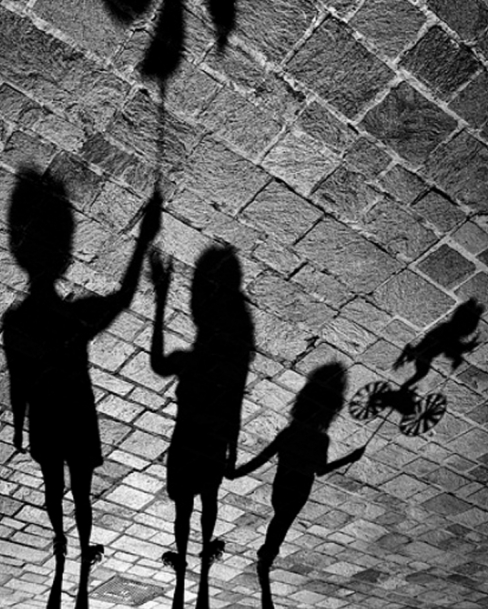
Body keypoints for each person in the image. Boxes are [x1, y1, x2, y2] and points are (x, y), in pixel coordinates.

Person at [3, 168, 161, 609]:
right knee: (81, 491)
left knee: (53, 486)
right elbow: (124, 297)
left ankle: (60, 541)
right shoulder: (75, 318)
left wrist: (17, 427)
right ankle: (82, 550)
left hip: (47, 416)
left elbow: (18, 378)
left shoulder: (18, 320)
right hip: (76, 413)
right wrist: (143, 241)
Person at [149, 245, 254, 609]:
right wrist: (233, 453)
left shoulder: (191, 361)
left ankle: (183, 569)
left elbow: (158, 364)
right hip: (211, 442)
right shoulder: (228, 360)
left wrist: (161, 301)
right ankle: (203, 562)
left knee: (185, 508)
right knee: (209, 500)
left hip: (186, 443)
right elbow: (235, 405)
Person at [228, 363, 364, 608]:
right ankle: (266, 559)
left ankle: (267, 556)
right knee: (282, 521)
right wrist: (350, 458)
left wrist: (238, 472)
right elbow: (321, 470)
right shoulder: (320, 440)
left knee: (280, 520)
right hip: (300, 489)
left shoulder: (289, 433)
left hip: (283, 485)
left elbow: (262, 457)